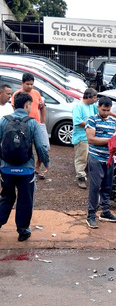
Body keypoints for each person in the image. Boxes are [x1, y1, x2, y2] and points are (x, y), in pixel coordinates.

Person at [0, 92, 50, 241]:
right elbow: (41, 146)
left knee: (6, 197)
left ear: (14, 104)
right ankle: (23, 231)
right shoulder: (32, 122)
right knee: (25, 200)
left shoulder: (3, 121)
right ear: (27, 105)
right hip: (26, 169)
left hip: (6, 168)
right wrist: (45, 163)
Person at [72, 88, 116, 189]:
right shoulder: (78, 107)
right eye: (95, 98)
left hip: (93, 137)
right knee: (81, 158)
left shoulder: (92, 106)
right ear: (89, 97)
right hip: (81, 137)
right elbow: (77, 121)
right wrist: (93, 125)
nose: (96, 100)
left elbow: (103, 110)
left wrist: (115, 115)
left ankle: (90, 177)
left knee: (89, 159)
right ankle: (81, 177)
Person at [85, 96, 116, 228]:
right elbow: (91, 139)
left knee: (107, 186)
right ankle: (91, 215)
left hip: (109, 158)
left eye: (108, 110)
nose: (106, 112)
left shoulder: (113, 121)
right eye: (104, 109)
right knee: (95, 188)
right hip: (95, 157)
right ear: (98, 107)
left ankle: (105, 211)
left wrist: (115, 141)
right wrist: (110, 140)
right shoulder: (92, 120)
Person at [10, 73, 50, 179]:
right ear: (22, 83)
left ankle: (37, 167)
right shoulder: (17, 95)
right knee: (24, 147)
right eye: (27, 84)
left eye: (32, 84)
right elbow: (15, 111)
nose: (30, 86)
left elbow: (42, 106)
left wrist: (43, 122)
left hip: (36, 123)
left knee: (43, 146)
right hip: (23, 125)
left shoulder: (36, 93)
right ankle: (23, 167)